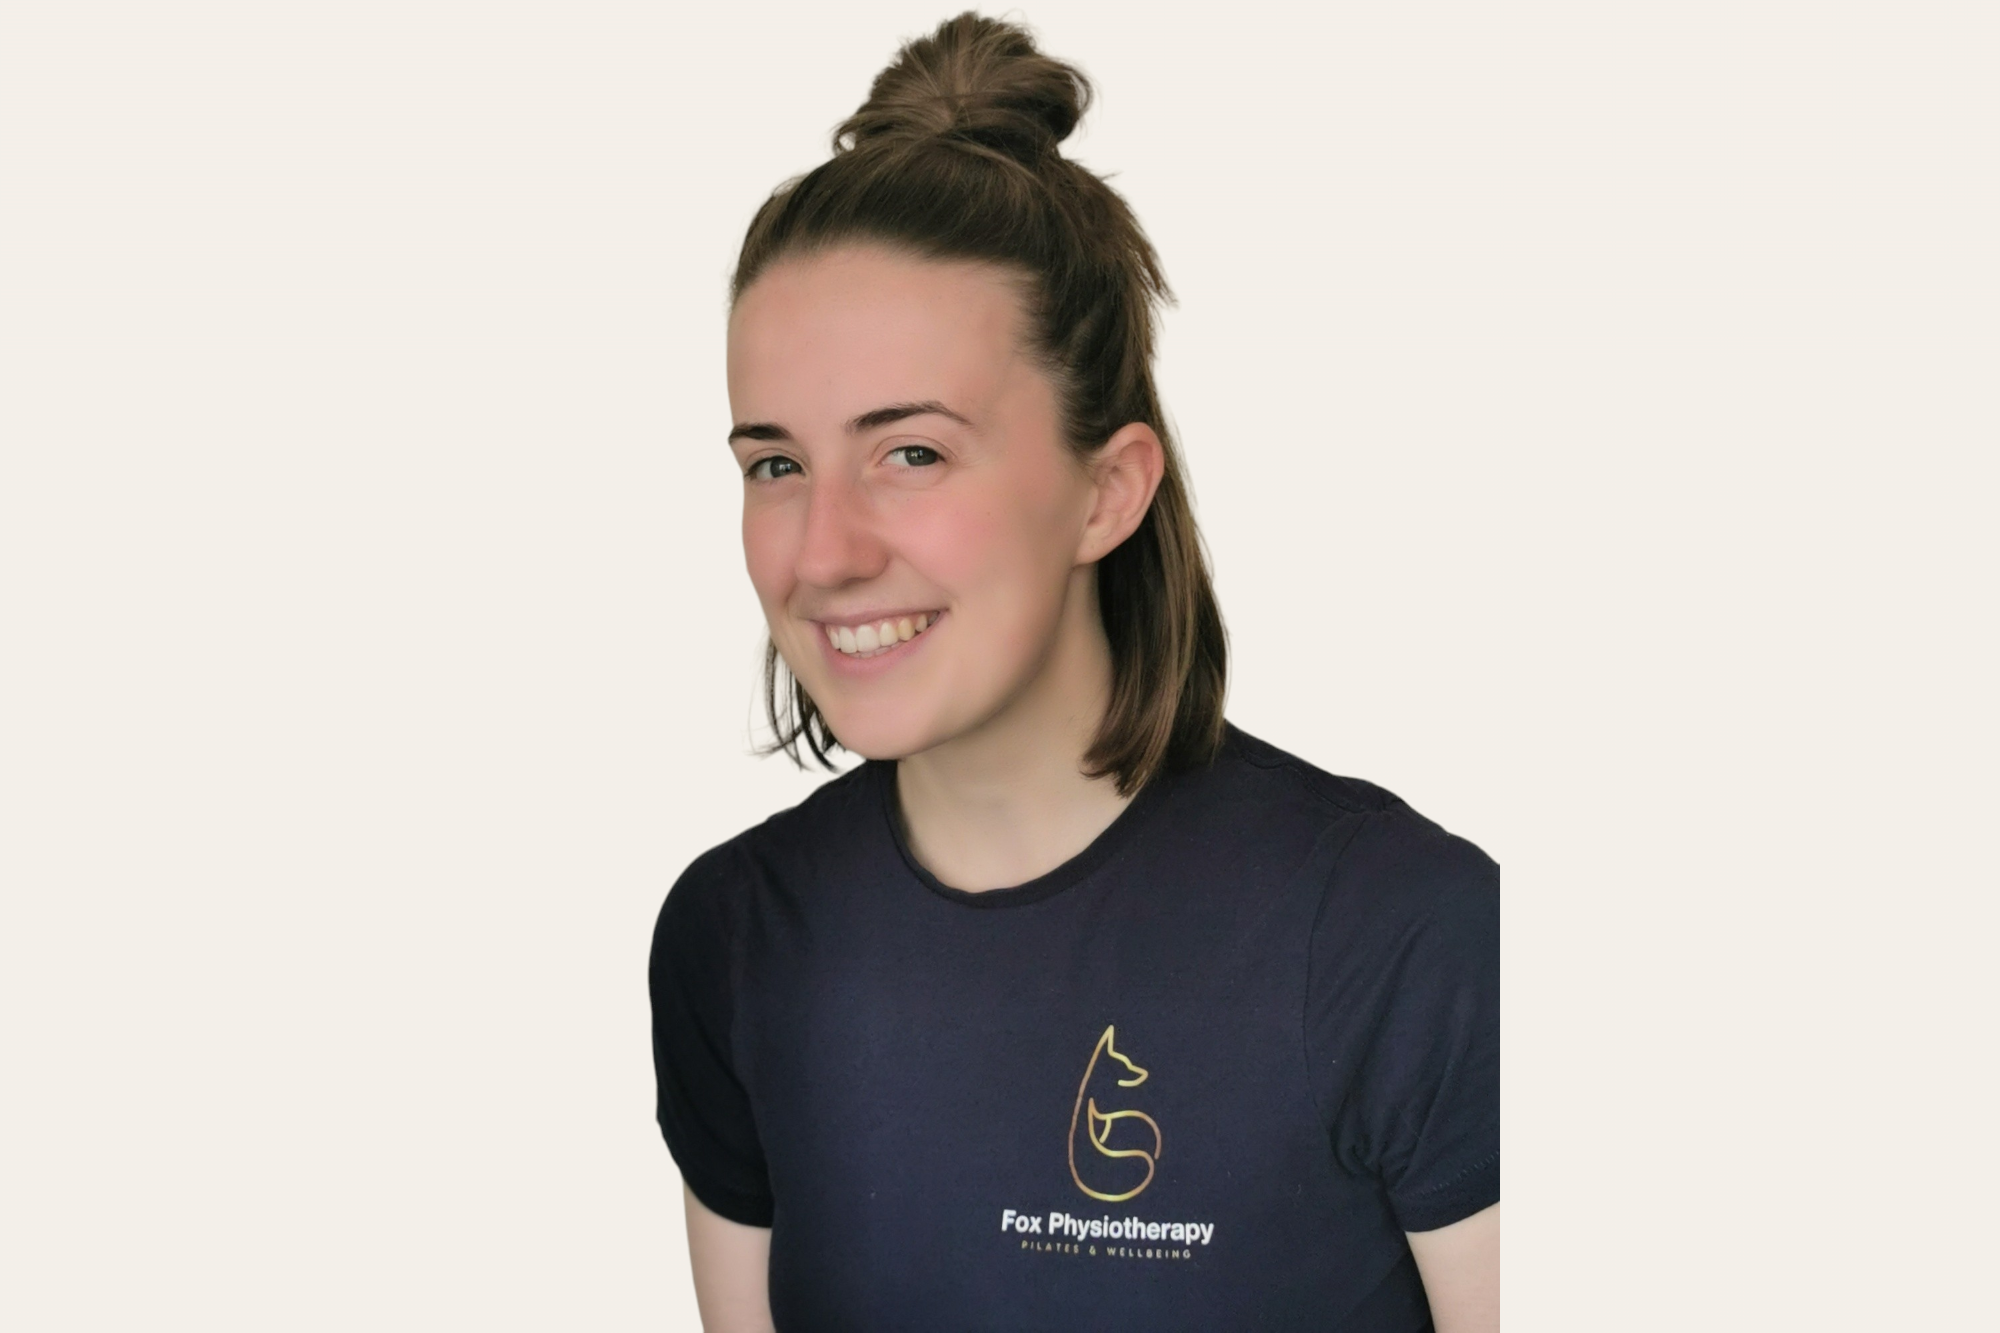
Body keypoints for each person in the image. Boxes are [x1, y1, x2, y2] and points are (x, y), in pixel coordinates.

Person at [648, 13, 1499, 1331]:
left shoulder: (1406, 941)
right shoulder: (734, 942)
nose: (822, 554)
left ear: (1107, 491)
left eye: (912, 453)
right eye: (776, 464)